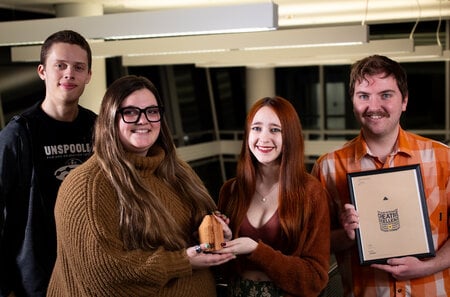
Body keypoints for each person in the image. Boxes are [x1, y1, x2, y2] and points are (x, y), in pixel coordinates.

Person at [47, 75, 235, 296]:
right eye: (130, 112)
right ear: (110, 118)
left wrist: (217, 235)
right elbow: (103, 274)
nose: (143, 120)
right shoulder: (87, 185)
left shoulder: (177, 170)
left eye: (152, 111)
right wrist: (182, 261)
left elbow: (195, 238)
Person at [312, 55, 450, 296]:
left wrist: (426, 267)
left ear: (404, 100)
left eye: (385, 95)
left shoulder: (444, 159)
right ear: (353, 102)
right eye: (363, 96)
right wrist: (346, 235)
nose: (373, 107)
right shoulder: (328, 167)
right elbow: (314, 243)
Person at [0, 30, 97, 297]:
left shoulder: (99, 129)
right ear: (42, 71)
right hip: (35, 282)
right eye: (60, 65)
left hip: (90, 273)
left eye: (79, 67)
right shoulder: (18, 134)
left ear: (89, 75)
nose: (69, 74)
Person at [217, 96, 331, 297]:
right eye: (256, 128)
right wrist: (223, 243)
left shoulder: (311, 192)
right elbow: (223, 272)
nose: (264, 138)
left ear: (290, 136)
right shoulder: (231, 190)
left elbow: (315, 279)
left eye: (275, 130)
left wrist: (256, 251)